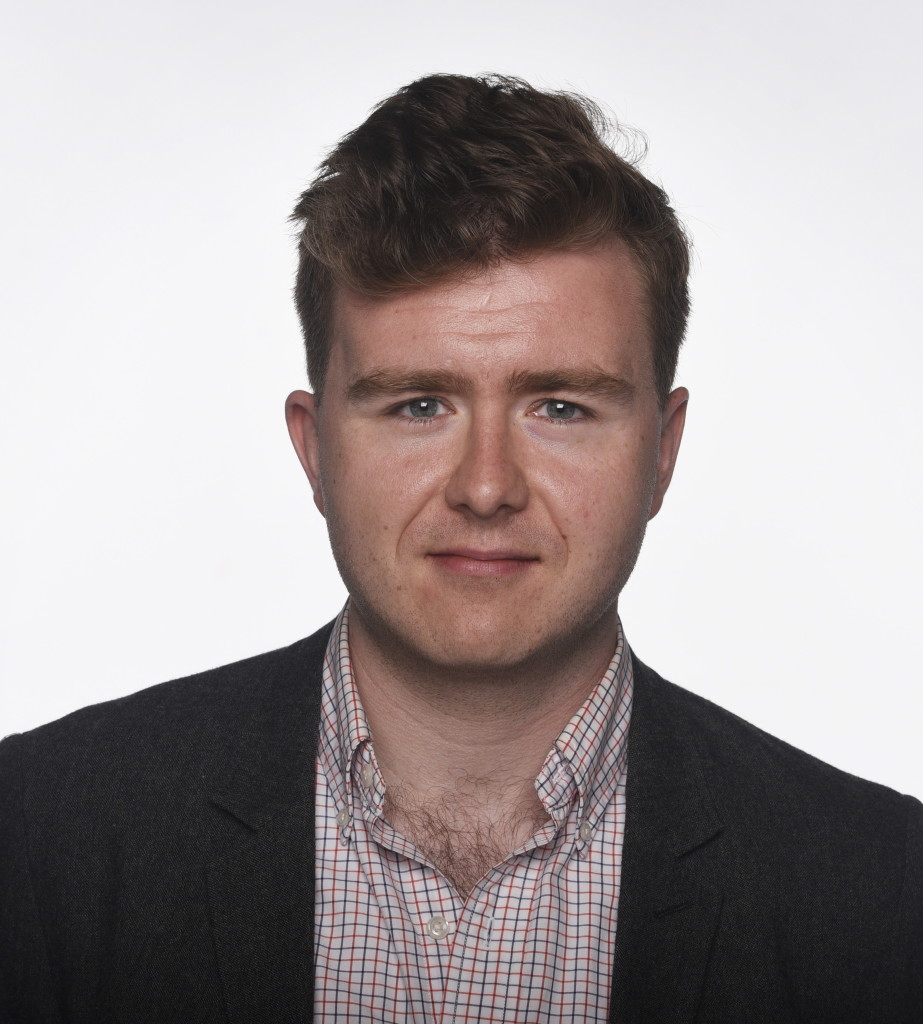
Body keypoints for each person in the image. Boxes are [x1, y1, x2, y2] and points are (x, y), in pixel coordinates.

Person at [1, 73, 920, 1024]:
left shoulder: (884, 894)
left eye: (560, 406)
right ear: (315, 452)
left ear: (662, 451)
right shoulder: (36, 838)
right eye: (418, 404)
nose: (486, 487)